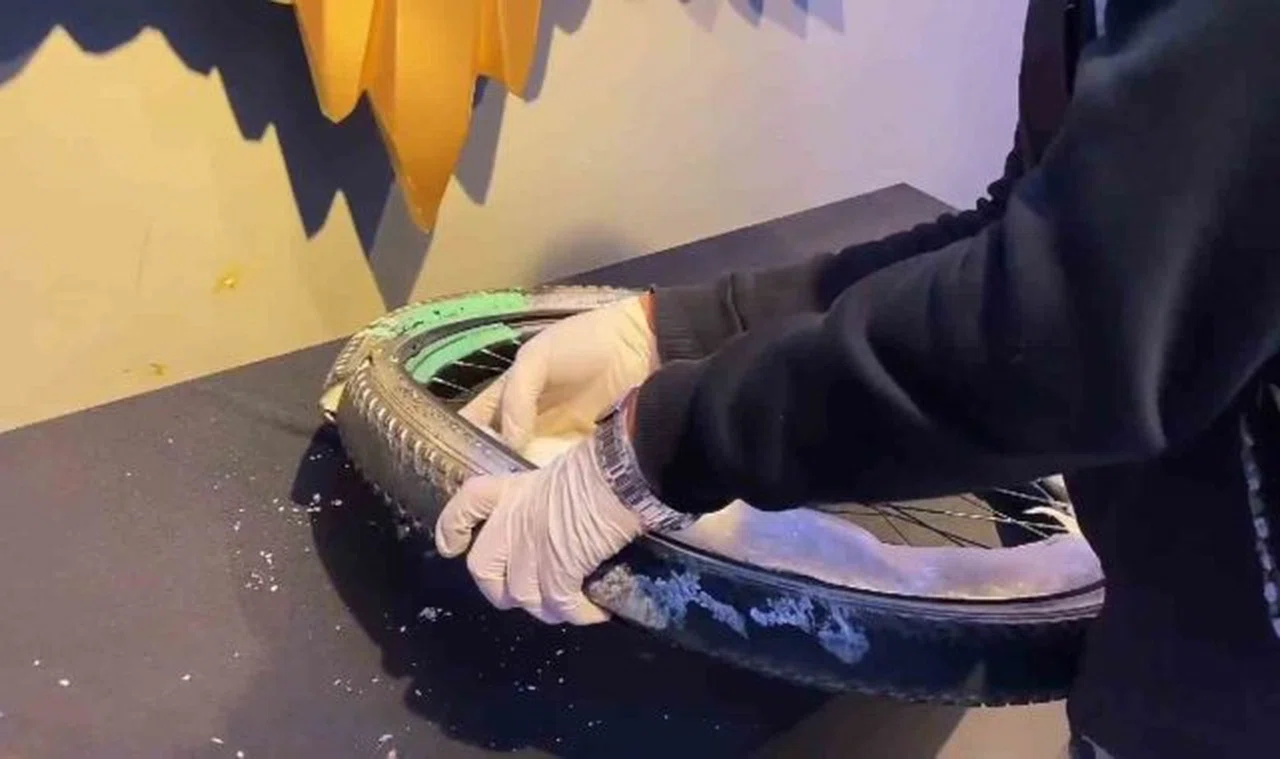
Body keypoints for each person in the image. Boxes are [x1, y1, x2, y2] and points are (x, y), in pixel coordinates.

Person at [435, 0, 1280, 756]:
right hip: (1175, 641)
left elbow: (1073, 327)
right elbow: (1032, 232)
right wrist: (673, 331)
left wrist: (658, 448)